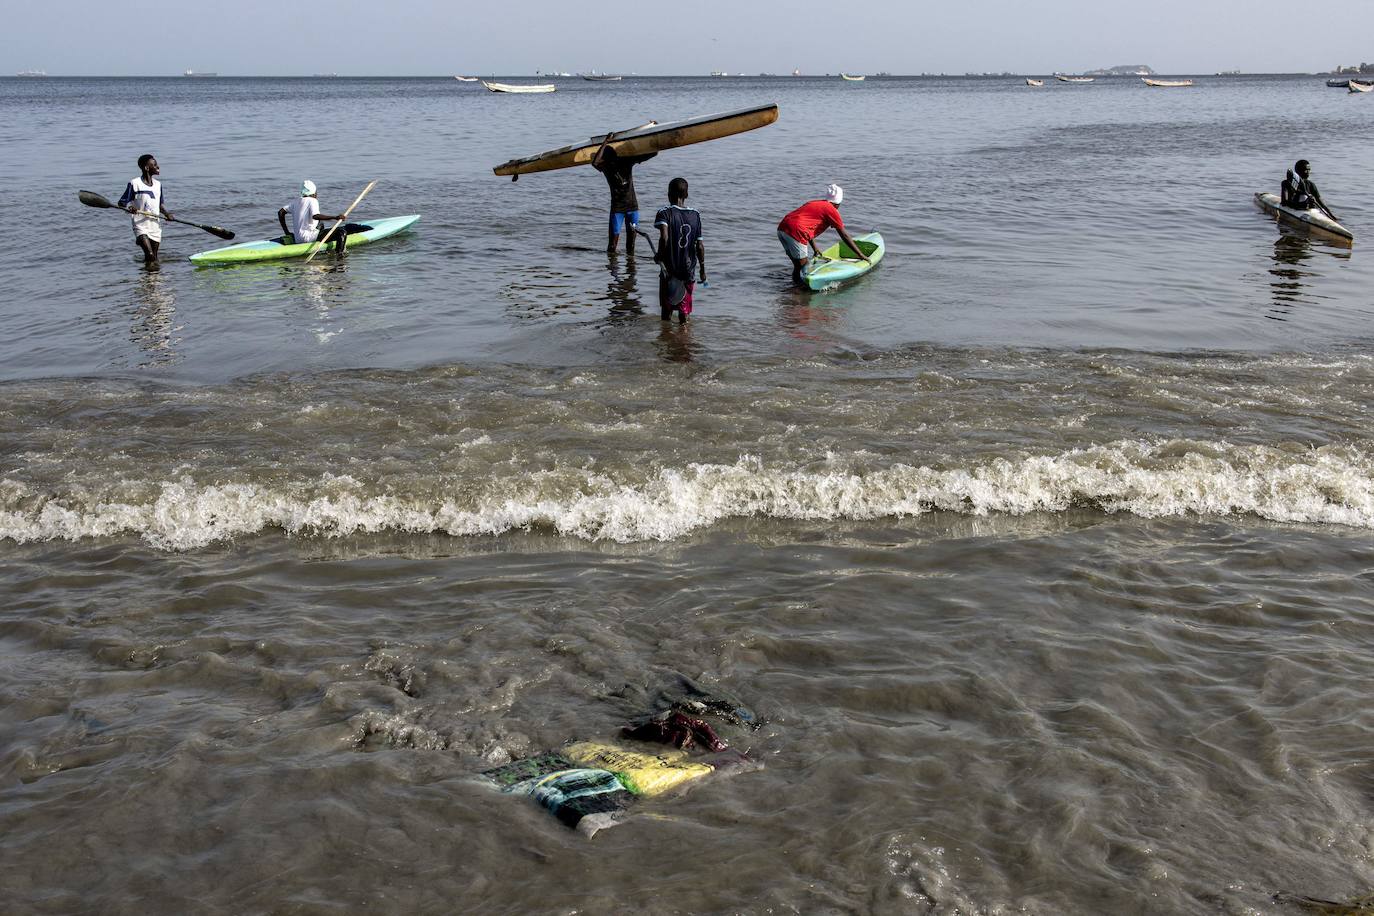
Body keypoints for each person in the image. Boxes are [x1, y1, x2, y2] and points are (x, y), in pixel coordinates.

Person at [777, 184, 869, 287]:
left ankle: (794, 289)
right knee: (803, 267)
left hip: (782, 228)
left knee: (797, 265)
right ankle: (799, 293)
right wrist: (861, 255)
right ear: (838, 203)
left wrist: (815, 248)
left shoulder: (815, 203)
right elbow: (844, 235)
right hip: (796, 232)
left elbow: (807, 226)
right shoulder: (832, 210)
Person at [653, 177, 707, 324]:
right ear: (686, 195)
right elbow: (700, 246)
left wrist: (659, 255)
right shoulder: (695, 215)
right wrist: (702, 269)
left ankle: (667, 339)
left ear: (669, 194)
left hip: (669, 269)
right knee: (685, 312)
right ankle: (684, 339)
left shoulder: (664, 213)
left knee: (667, 310)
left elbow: (664, 238)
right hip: (688, 270)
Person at [592, 142, 656, 254]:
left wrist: (605, 142)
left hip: (631, 208)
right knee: (620, 245)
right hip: (619, 209)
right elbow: (595, 162)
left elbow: (595, 162)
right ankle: (628, 269)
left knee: (621, 245)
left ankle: (619, 269)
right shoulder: (608, 166)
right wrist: (654, 148)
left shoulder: (620, 163)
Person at [277, 180, 366, 253]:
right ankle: (340, 257)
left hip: (298, 239)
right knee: (341, 232)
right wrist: (335, 217)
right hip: (309, 237)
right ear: (314, 192)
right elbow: (316, 216)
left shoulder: (295, 202)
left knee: (320, 224)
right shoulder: (313, 200)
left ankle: (324, 244)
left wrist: (287, 232)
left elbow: (281, 212)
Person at [117, 154, 172, 265]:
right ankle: (140, 239)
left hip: (155, 225)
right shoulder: (134, 183)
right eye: (154, 165)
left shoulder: (158, 185)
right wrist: (129, 208)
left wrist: (167, 214)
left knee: (153, 258)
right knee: (150, 255)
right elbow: (121, 203)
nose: (158, 166)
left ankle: (150, 280)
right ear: (146, 168)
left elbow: (159, 205)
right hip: (140, 225)